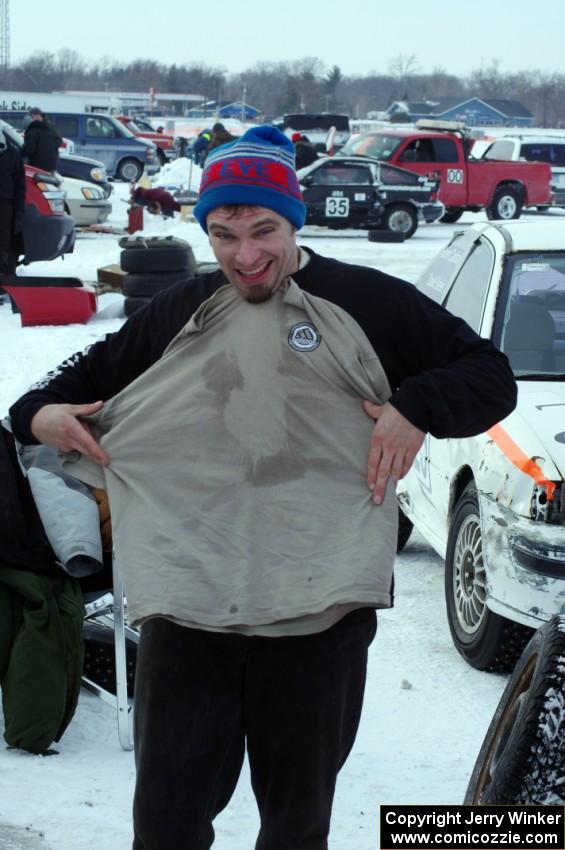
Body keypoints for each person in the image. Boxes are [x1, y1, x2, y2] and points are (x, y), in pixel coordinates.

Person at [8, 125, 517, 850]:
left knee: (294, 827)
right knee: (167, 826)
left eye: (262, 230)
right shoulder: (179, 308)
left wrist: (416, 407)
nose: (244, 256)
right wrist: (43, 414)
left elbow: (487, 376)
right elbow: (54, 394)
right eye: (222, 234)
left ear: (294, 219)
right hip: (189, 618)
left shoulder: (366, 301)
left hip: (318, 618)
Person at [0, 129, 25, 277]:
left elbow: (20, 187)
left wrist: (19, 216)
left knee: (3, 241)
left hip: (5, 204)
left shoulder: (12, 155)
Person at [22, 107, 63, 173]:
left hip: (37, 167)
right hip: (52, 166)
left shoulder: (33, 130)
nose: (29, 118)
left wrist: (21, 151)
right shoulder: (51, 126)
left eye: (31, 116)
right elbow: (59, 141)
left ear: (37, 115)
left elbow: (29, 150)